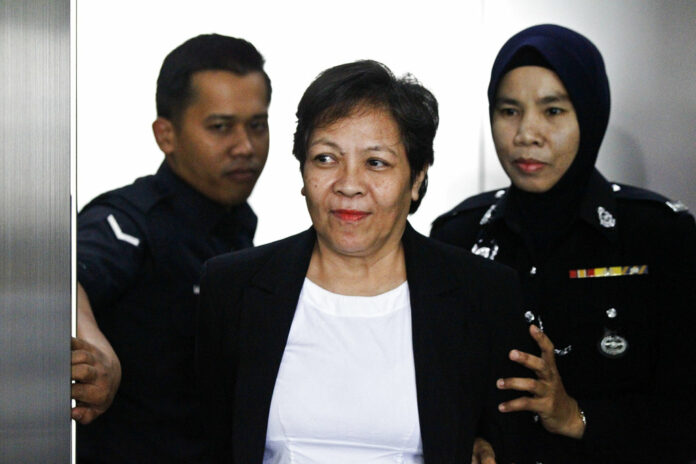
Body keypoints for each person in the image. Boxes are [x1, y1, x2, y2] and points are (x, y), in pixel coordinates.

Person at [196, 59, 538, 464]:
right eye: (325, 158)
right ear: (303, 172)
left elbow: (508, 439)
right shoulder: (232, 286)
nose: (349, 185)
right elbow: (205, 443)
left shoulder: (482, 293)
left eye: (376, 163)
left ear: (416, 178)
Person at [431, 24, 696, 463]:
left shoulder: (660, 237)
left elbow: (686, 415)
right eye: (508, 110)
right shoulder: (459, 235)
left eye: (553, 112)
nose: (526, 134)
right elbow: (437, 390)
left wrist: (577, 416)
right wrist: (469, 440)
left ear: (589, 116)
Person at [71, 34, 271, 462]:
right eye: (221, 127)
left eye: (257, 124)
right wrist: (96, 348)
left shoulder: (237, 223)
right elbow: (57, 275)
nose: (246, 146)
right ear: (167, 135)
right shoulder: (130, 220)